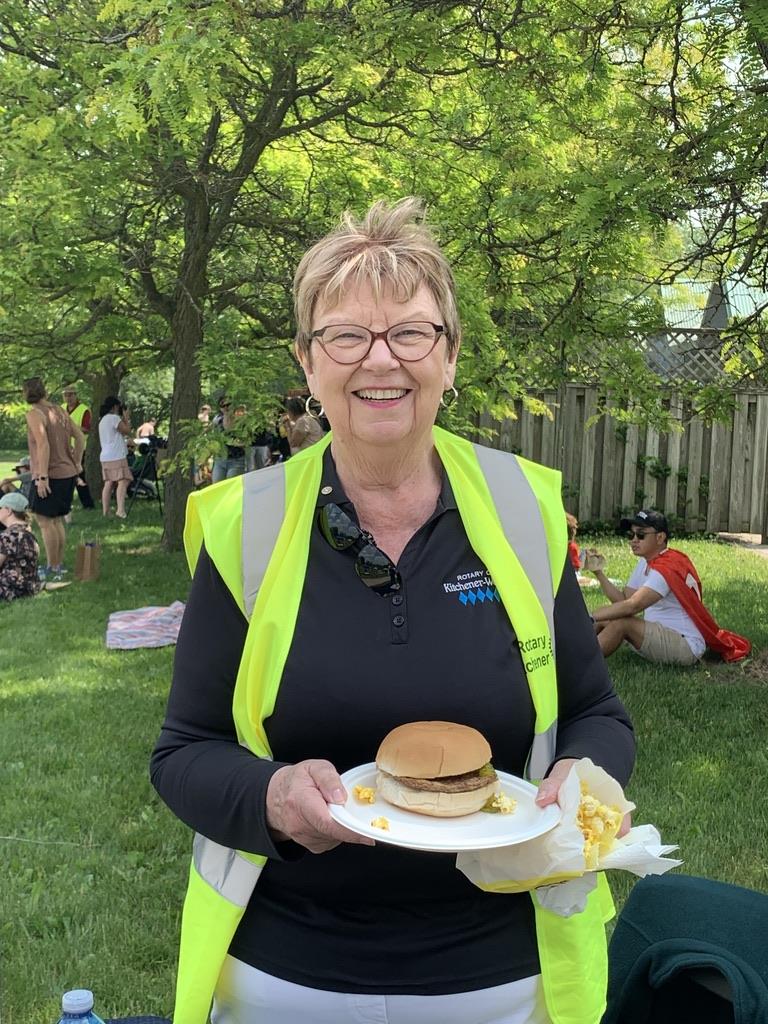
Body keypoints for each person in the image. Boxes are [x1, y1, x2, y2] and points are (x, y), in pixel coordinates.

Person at [151, 198, 635, 1024]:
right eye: (347, 335)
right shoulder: (245, 525)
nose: (381, 360)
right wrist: (270, 797)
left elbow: (597, 712)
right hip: (288, 976)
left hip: (506, 976)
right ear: (308, 363)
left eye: (410, 332)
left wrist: (583, 776)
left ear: (449, 355)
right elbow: (183, 750)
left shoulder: (523, 511)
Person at [587, 509, 750, 664]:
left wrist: (590, 616)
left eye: (641, 535)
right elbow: (623, 600)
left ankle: (580, 662)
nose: (634, 540)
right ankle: (574, 652)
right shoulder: (647, 561)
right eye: (631, 534)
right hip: (661, 635)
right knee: (609, 616)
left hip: (685, 645)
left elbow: (633, 606)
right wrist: (598, 573)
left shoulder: (666, 568)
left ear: (660, 538)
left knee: (621, 622)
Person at [23, 377, 84, 580]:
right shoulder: (60, 411)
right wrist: (77, 462)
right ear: (45, 391)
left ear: (26, 393)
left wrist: (42, 477)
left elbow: (43, 444)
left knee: (45, 522)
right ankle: (57, 565)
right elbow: (80, 437)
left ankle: (53, 567)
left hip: (49, 475)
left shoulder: (35, 414)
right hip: (67, 473)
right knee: (56, 520)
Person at [0, 490, 41, 601]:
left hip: (9, 588)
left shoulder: (7, 536)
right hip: (30, 586)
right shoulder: (29, 533)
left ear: (8, 510)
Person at [98, 396, 133, 518]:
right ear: (114, 407)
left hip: (105, 456)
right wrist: (126, 418)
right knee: (123, 480)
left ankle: (106, 511)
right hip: (116, 455)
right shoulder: (114, 418)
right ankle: (120, 510)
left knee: (109, 482)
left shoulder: (102, 420)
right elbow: (126, 430)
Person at [62, 384, 96, 509]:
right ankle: (66, 501)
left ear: (76, 395)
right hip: (63, 448)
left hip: (78, 449)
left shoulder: (84, 410)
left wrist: (71, 428)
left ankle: (87, 504)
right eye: (66, 395)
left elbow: (86, 428)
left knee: (79, 475)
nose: (68, 398)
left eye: (71, 395)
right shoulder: (61, 408)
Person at [210, 399, 247, 482]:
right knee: (217, 484)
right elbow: (212, 437)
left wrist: (238, 443)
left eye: (228, 404)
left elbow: (247, 440)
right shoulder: (217, 420)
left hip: (236, 460)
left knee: (231, 485)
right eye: (223, 406)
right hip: (220, 460)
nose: (226, 408)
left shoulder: (240, 420)